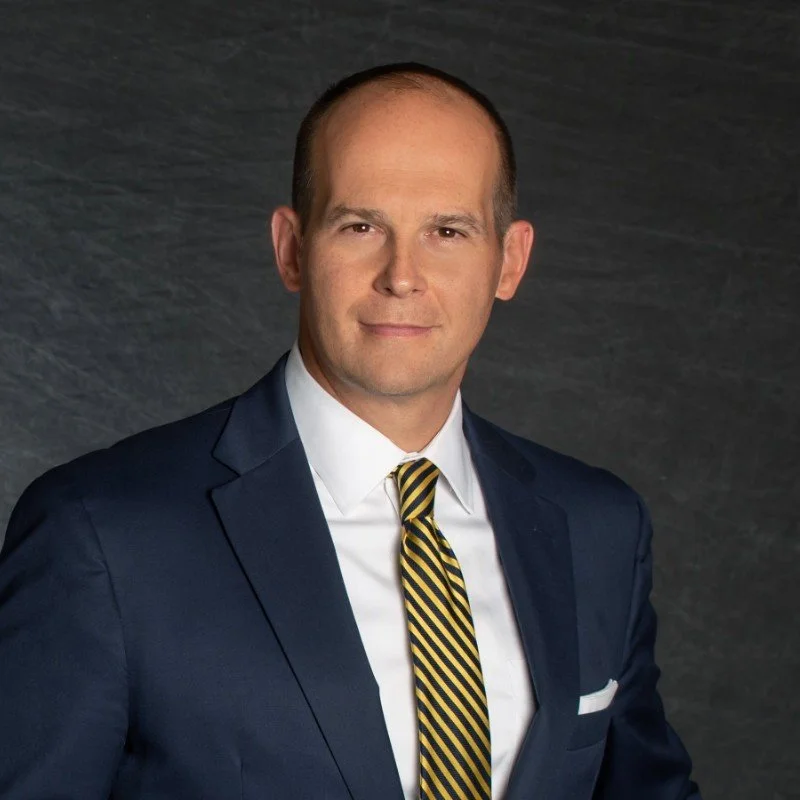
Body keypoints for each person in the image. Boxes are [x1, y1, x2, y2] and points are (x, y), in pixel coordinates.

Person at [0, 62, 701, 799]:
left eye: (447, 230)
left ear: (511, 260)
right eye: (361, 225)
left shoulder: (597, 528)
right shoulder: (101, 533)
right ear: (292, 249)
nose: (402, 274)